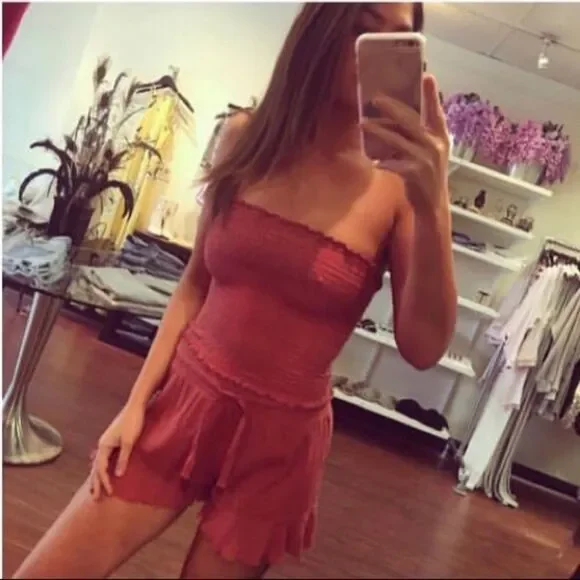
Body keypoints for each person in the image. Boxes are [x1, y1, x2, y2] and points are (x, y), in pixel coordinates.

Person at [14, 3, 456, 579]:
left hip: (279, 447)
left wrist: (435, 203)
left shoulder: (400, 189)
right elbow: (195, 283)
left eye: (397, 40)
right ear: (319, 27)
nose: (370, 50)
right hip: (183, 402)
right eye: (361, 26)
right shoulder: (247, 137)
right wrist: (134, 404)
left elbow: (424, 347)